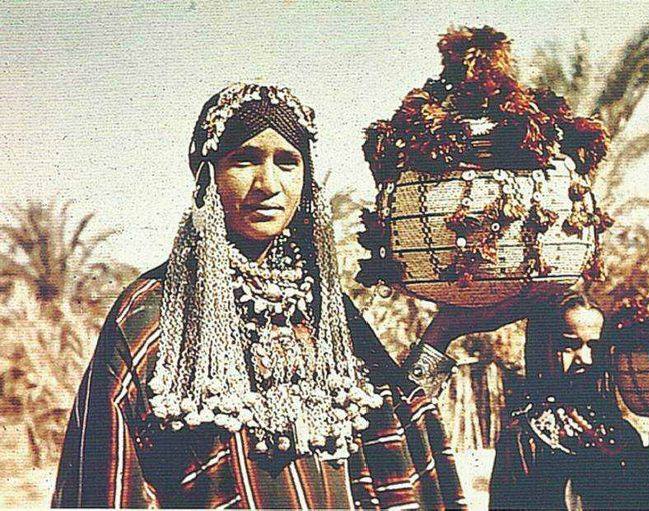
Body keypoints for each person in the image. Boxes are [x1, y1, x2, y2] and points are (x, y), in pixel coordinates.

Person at [52, 83, 466, 509]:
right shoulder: (154, 315)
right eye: (245, 160)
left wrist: (441, 334)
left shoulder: (325, 310)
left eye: (287, 162)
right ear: (206, 175)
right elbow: (106, 479)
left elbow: (399, 432)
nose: (268, 183)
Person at [489, 294, 649, 510]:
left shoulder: (617, 431)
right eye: (568, 345)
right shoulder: (525, 437)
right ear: (541, 348)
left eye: (593, 346)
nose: (585, 358)